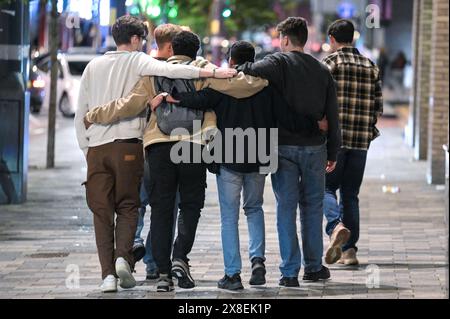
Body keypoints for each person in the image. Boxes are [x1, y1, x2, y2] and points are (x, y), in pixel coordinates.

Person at [83, 31, 268, 292]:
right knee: (191, 206)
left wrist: (95, 114)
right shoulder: (204, 70)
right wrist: (265, 79)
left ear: (171, 50)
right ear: (196, 52)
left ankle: (162, 275)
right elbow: (238, 85)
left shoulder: (154, 72)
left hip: (159, 146)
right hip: (192, 145)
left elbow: (128, 105)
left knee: (161, 209)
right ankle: (180, 256)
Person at [150, 40, 327, 291]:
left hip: (229, 155)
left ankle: (232, 274)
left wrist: (171, 97)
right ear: (254, 61)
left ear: (231, 61)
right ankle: (258, 262)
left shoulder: (222, 85)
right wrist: (315, 126)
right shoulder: (267, 86)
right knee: (254, 209)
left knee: (229, 218)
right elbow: (287, 118)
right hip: (259, 153)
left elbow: (198, 99)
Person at [239, 17, 341, 287]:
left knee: (286, 209)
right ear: (304, 39)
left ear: (285, 39)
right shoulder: (322, 70)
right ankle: (314, 267)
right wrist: (334, 150)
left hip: (282, 147)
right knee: (313, 207)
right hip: (315, 148)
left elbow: (247, 68)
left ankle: (289, 272)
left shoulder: (277, 62)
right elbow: (333, 114)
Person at [322, 19, 383, 265]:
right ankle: (349, 252)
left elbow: (319, 104)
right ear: (353, 38)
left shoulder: (329, 64)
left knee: (324, 189)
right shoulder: (371, 66)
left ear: (332, 40)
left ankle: (336, 226)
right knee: (351, 194)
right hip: (360, 142)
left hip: (334, 143)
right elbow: (378, 108)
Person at [132, 23, 182, 281]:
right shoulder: (182, 70)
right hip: (173, 149)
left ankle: (134, 241)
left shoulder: (143, 69)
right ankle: (154, 262)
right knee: (166, 209)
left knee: (137, 203)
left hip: (144, 145)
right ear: (173, 46)